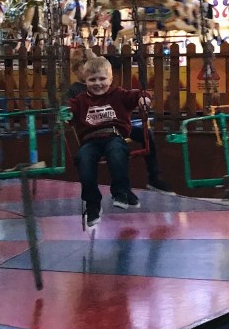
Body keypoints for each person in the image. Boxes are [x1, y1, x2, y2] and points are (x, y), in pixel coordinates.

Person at [66, 53, 172, 194]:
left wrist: (141, 99)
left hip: (114, 126)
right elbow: (69, 110)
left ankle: (154, 177)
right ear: (78, 71)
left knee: (146, 135)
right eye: (85, 68)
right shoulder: (76, 91)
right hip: (93, 129)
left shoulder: (105, 86)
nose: (96, 79)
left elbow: (124, 96)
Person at [67, 56, 151, 229]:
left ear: (111, 79)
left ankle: (120, 192)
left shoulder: (118, 94)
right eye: (92, 80)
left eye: (102, 79)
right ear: (85, 81)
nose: (97, 83)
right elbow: (68, 110)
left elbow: (138, 94)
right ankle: (92, 205)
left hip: (113, 136)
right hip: (89, 141)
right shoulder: (81, 100)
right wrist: (64, 112)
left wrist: (144, 98)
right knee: (83, 162)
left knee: (117, 153)